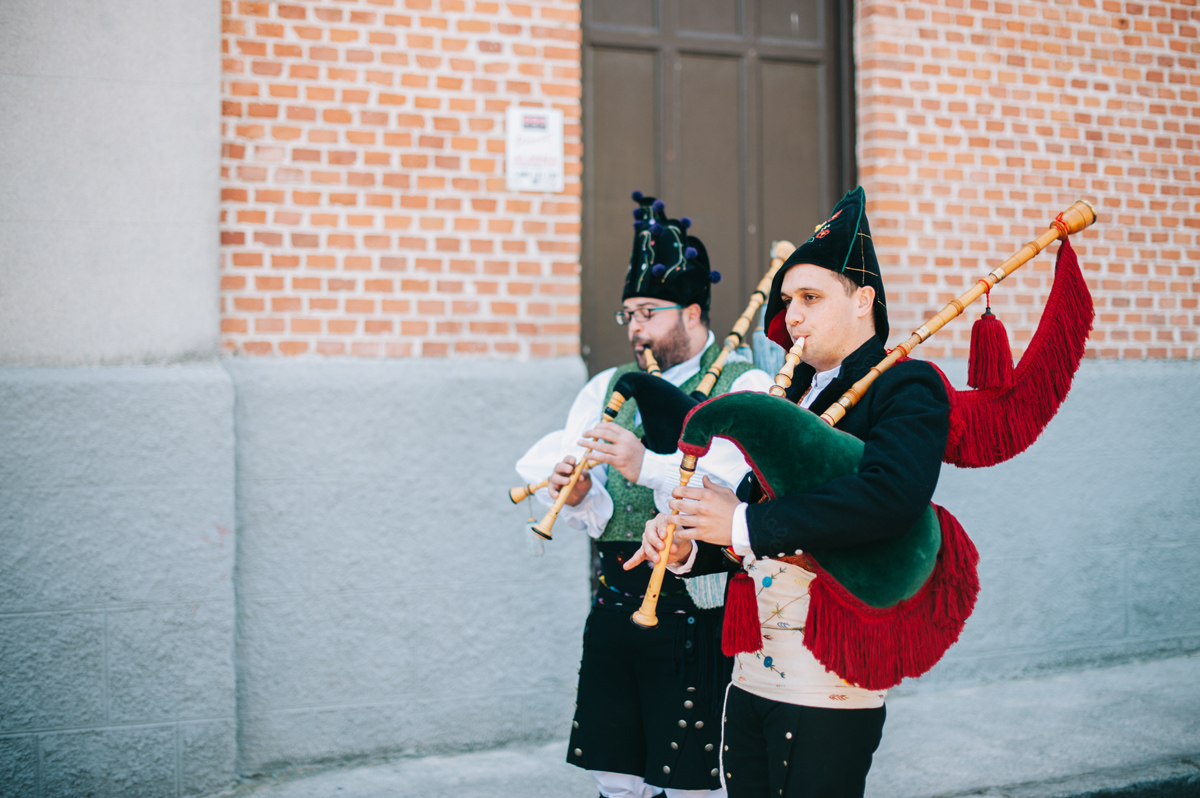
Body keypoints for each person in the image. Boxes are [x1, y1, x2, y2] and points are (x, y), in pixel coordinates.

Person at [627, 187, 952, 798]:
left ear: (863, 300)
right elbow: (748, 519)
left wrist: (742, 524)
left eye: (810, 298)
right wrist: (693, 548)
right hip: (749, 674)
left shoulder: (907, 386)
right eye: (787, 301)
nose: (793, 317)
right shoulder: (789, 395)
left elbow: (890, 498)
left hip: (831, 675)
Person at [516, 192, 775, 798]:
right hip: (616, 602)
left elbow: (738, 483)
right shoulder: (612, 386)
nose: (635, 329)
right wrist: (579, 493)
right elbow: (593, 507)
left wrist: (647, 465)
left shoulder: (747, 383)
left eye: (649, 313)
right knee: (618, 777)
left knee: (694, 782)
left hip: (698, 607)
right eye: (628, 315)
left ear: (691, 313)